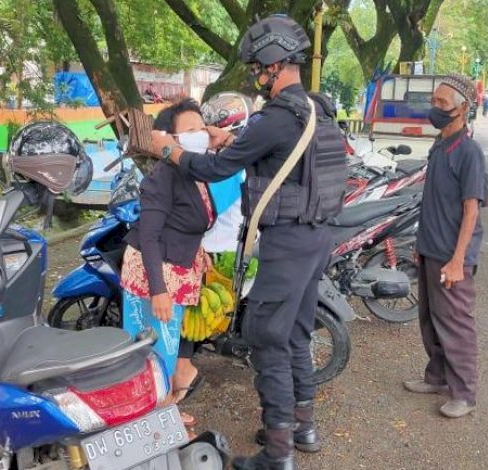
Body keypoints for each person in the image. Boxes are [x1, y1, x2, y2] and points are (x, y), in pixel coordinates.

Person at [141, 14, 348, 470]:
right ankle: (302, 425)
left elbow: (213, 169)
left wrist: (168, 149)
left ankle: (278, 454)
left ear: (274, 64)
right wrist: (231, 138)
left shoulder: (275, 117)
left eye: (258, 66)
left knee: (268, 339)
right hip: (317, 239)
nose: (256, 74)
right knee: (295, 332)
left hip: (287, 241)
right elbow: (280, 156)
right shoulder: (315, 108)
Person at [119, 98, 216, 427]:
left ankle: (160, 411)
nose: (201, 134)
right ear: (169, 139)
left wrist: (199, 254)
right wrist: (158, 290)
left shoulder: (193, 170)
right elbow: (149, 236)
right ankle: (150, 419)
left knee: (168, 347)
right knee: (150, 352)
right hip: (153, 274)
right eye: (191, 130)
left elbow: (186, 221)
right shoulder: (163, 176)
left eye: (202, 127)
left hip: (178, 268)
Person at [404, 73, 487, 419]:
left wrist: (456, 261)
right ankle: (437, 377)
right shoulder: (440, 144)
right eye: (434, 101)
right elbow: (434, 199)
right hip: (431, 249)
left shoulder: (468, 152)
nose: (434, 108)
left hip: (453, 257)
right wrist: (421, 244)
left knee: (455, 324)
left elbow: (471, 210)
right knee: (430, 320)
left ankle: (464, 393)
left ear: (462, 108)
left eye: (442, 103)